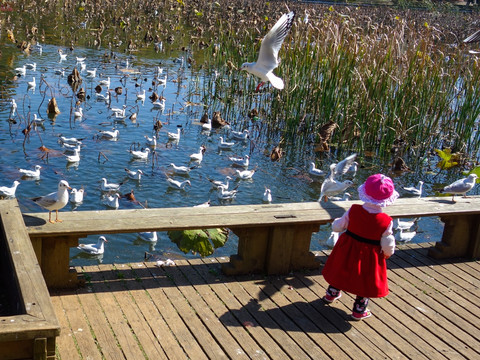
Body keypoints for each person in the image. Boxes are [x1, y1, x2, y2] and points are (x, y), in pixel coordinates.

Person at [321, 174, 399, 320]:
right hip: (369, 255)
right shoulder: (386, 221)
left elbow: (338, 226)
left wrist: (336, 224)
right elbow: (388, 242)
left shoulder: (354, 210)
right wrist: (388, 253)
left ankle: (331, 293)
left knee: (340, 268)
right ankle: (359, 309)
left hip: (348, 248)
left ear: (365, 193)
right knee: (365, 279)